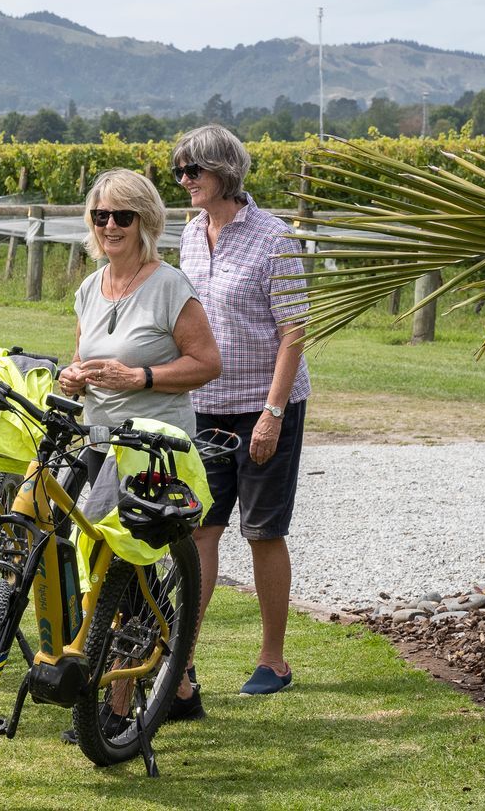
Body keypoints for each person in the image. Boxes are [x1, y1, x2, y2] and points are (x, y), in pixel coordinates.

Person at [55, 167, 221, 721]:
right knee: (102, 566)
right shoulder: (89, 286)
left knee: (125, 572)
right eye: (100, 216)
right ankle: (178, 684)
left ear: (146, 220)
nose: (109, 226)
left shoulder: (169, 285)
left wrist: (142, 378)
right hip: (98, 444)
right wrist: (71, 378)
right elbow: (78, 360)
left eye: (122, 215)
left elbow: (207, 363)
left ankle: (118, 708)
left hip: (152, 450)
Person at [174, 123, 312, 704]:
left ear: (223, 173)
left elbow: (294, 330)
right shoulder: (188, 234)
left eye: (193, 172)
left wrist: (273, 413)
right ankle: (182, 660)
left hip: (264, 406)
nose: (184, 181)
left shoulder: (275, 238)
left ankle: (272, 660)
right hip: (206, 406)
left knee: (262, 531)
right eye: (180, 172)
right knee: (200, 529)